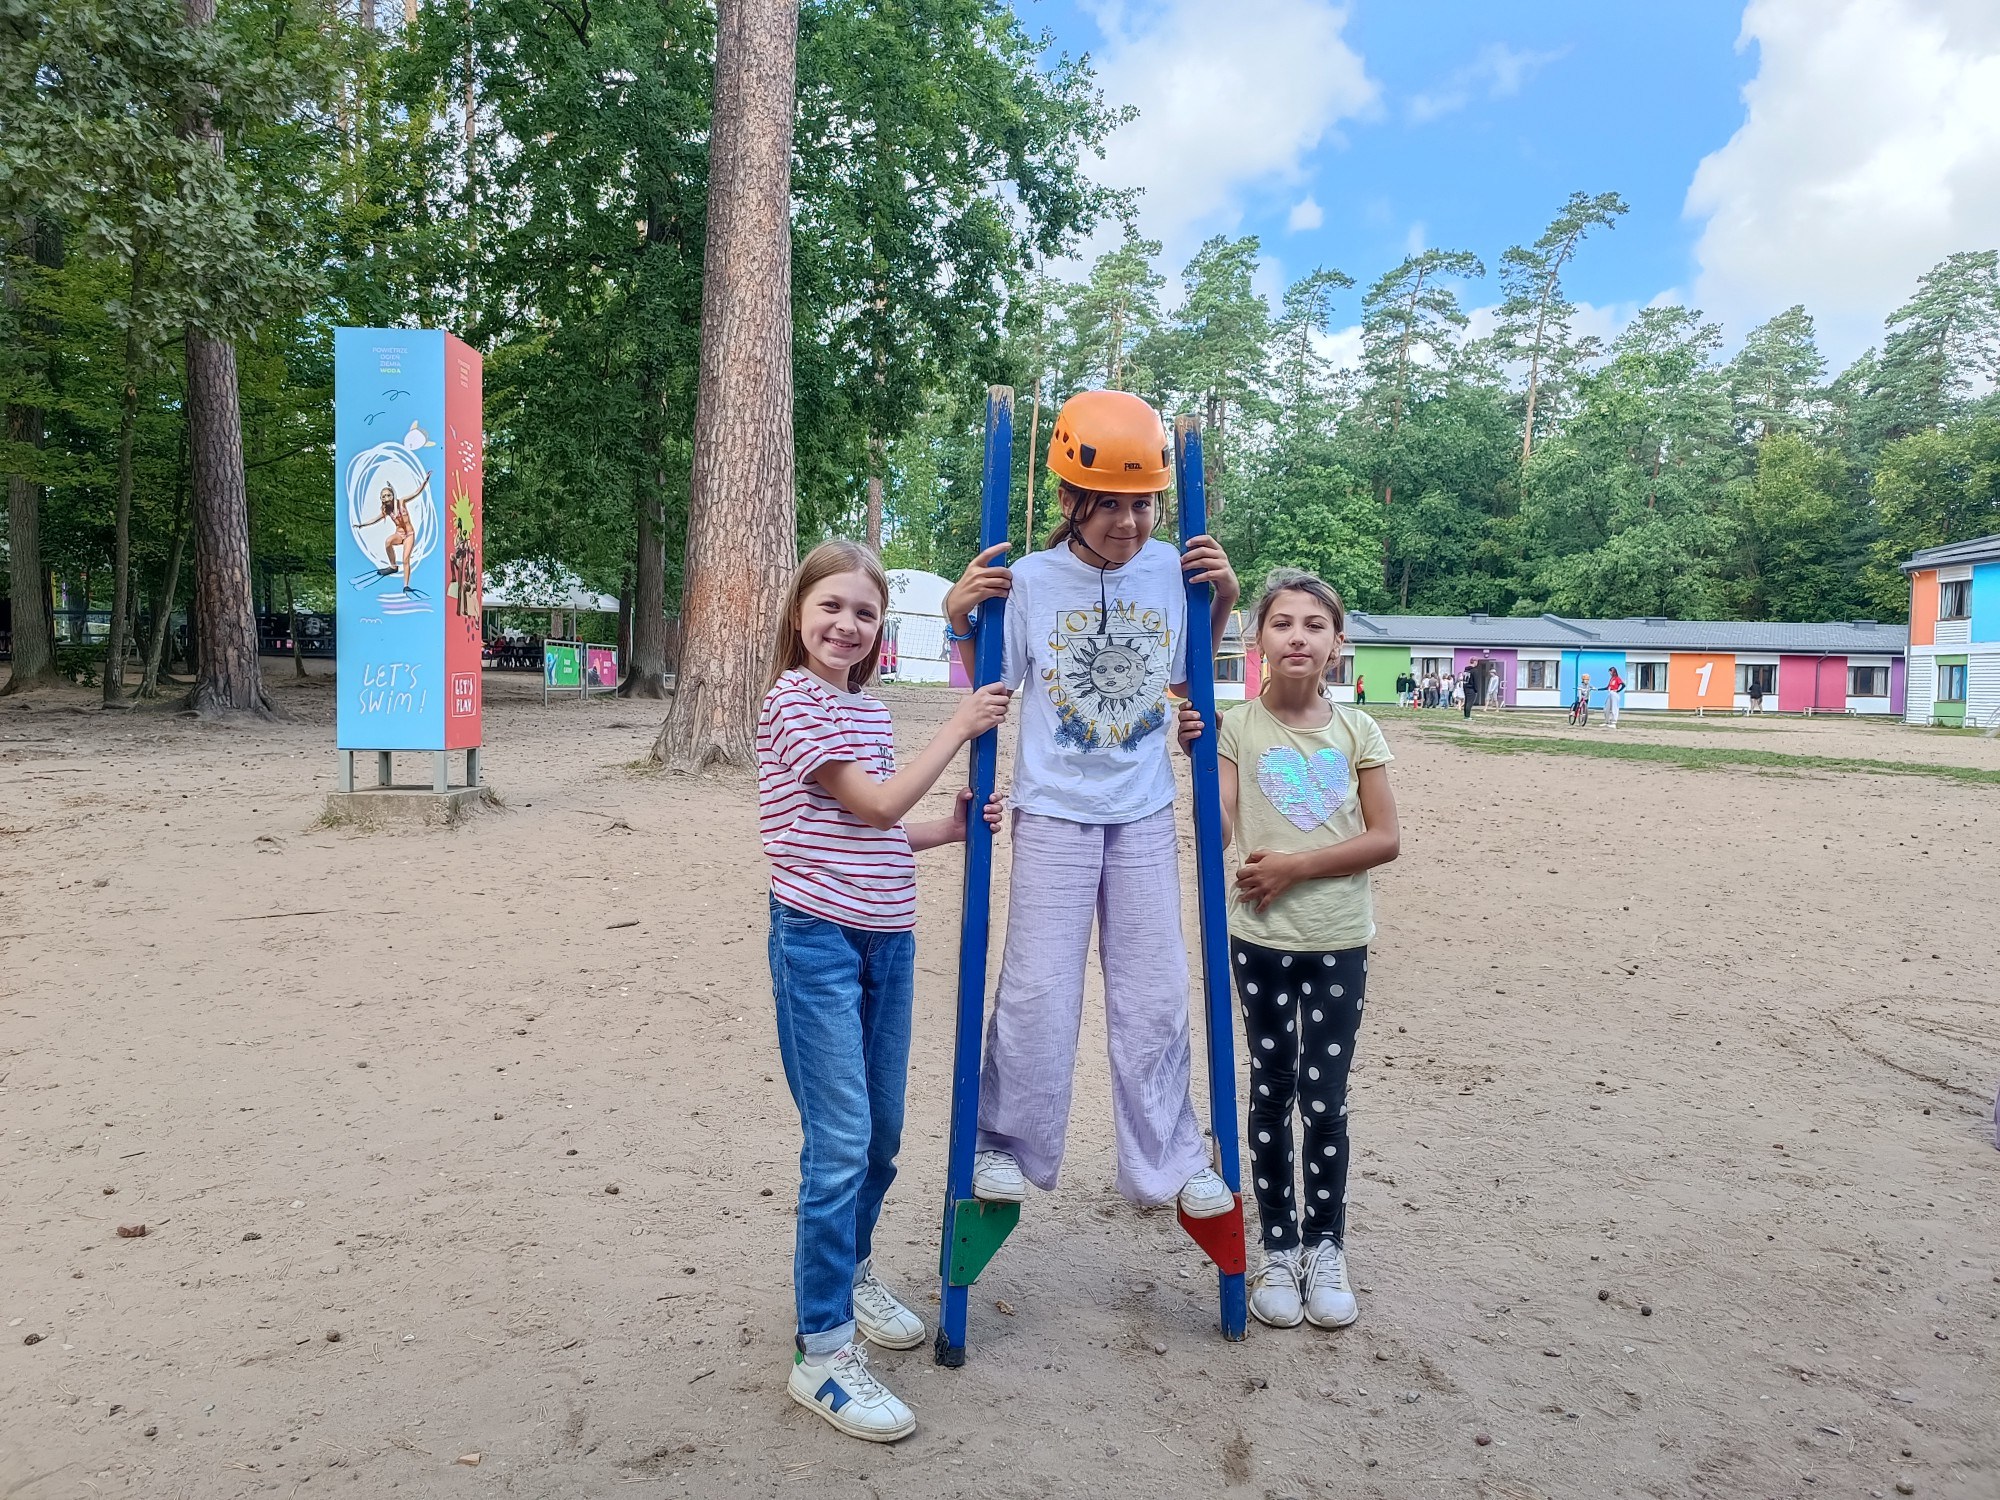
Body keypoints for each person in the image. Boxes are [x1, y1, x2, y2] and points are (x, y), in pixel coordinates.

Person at [942, 389, 1241, 1235]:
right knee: (1037, 989)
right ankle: (1004, 1144)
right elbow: (994, 682)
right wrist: (959, 615)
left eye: (1142, 504)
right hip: (1053, 812)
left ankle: (1170, 1158)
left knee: (1155, 993)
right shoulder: (1032, 582)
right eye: (1108, 504)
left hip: (1142, 812)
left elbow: (1184, 676)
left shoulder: (1172, 569)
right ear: (1071, 500)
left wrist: (1221, 598)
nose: (1128, 523)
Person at [759, 539, 1012, 1442]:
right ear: (799, 613)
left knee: (884, 1134)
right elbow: (873, 804)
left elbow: (873, 827)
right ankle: (821, 1352)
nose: (847, 625)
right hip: (817, 942)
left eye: (864, 612)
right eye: (831, 606)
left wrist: (946, 829)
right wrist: (959, 727)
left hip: (887, 940)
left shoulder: (864, 711)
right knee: (838, 1143)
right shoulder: (793, 701)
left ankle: (852, 1271)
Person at [1208, 567, 1400, 1330]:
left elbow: (1385, 838)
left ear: (1337, 643)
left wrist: (1294, 866)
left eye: (1314, 625)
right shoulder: (1235, 727)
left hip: (1337, 940)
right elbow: (1221, 827)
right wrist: (1192, 762)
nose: (1298, 637)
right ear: (1258, 639)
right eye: (1282, 623)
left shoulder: (1358, 732)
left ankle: (1327, 1246)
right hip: (1259, 939)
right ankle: (1279, 1249)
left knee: (1325, 1100)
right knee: (1271, 1089)